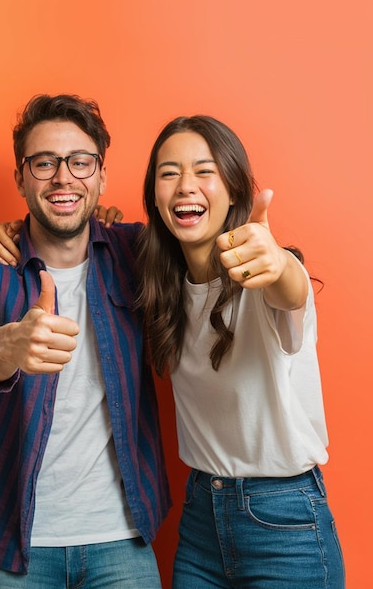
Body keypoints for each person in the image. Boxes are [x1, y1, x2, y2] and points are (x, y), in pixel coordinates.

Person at [0, 93, 171, 588]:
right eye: (44, 163)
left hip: (122, 539)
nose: (63, 177)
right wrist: (8, 345)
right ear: (21, 178)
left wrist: (285, 264)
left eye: (80, 162)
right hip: (10, 546)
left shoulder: (136, 253)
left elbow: (199, 249)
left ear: (101, 176)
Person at [136, 115, 345, 588]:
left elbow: (290, 290)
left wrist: (280, 262)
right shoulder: (161, 284)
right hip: (200, 523)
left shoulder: (264, 276)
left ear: (233, 190)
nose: (185, 185)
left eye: (204, 171)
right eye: (169, 173)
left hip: (285, 522)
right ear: (154, 196)